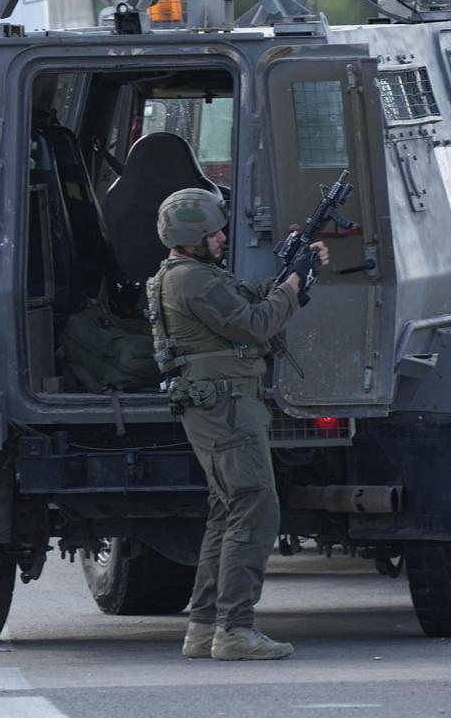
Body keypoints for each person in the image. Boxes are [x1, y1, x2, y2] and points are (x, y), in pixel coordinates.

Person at [146, 187, 328, 661]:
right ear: (192, 238)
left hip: (223, 405)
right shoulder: (193, 280)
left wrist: (295, 275)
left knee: (228, 512)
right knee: (254, 508)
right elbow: (252, 325)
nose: (224, 237)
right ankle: (235, 629)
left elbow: (249, 311)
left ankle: (206, 627)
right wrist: (291, 287)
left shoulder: (191, 274)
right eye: (214, 232)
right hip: (226, 407)